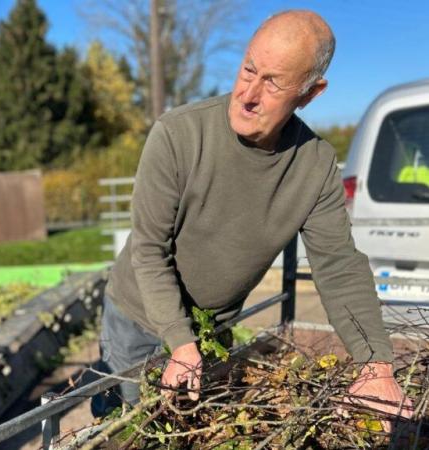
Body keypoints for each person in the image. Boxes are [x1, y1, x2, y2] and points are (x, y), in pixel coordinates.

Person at [92, 10, 413, 428]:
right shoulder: (178, 135)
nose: (248, 94)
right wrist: (180, 341)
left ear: (310, 93)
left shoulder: (313, 166)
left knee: (186, 427)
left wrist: (375, 366)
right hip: (138, 318)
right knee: (125, 427)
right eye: (248, 70)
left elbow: (338, 265)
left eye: (273, 82)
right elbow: (150, 250)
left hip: (212, 327)